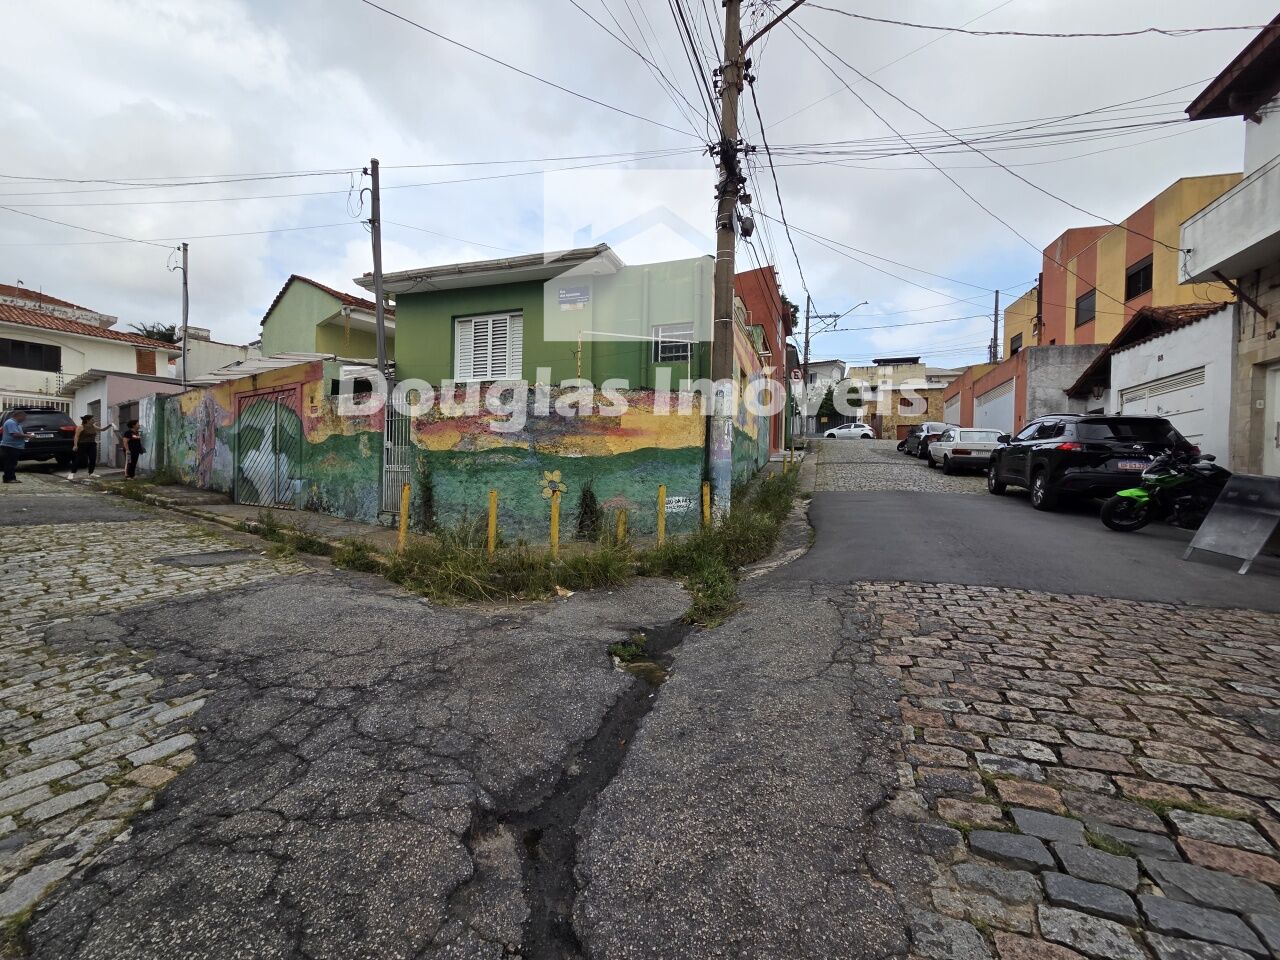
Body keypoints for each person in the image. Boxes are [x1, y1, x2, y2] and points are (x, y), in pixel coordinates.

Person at [69, 415, 112, 480]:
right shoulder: (81, 427)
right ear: (87, 420)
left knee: (93, 459)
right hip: (82, 444)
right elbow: (76, 436)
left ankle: (91, 473)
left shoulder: (93, 426)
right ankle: (72, 473)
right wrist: (75, 445)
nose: (94, 420)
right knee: (78, 459)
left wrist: (110, 425)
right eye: (92, 419)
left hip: (92, 444)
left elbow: (102, 429)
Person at [1, 411, 34, 484]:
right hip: (10, 446)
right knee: (10, 463)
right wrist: (27, 435)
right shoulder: (11, 423)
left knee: (11, 463)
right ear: (19, 416)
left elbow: (17, 434)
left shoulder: (15, 423)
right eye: (24, 417)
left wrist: (24, 436)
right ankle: (9, 478)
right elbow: (15, 434)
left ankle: (9, 478)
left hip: (14, 446)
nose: (24, 419)